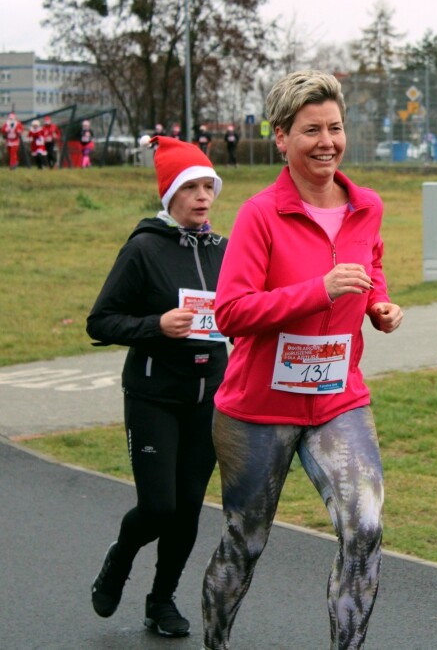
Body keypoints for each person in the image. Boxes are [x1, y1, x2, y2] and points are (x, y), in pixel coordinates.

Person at [201, 69, 403, 650]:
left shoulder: (367, 206)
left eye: (335, 128)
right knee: (246, 542)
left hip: (338, 398)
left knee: (364, 527)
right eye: (310, 130)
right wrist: (321, 290)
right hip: (258, 409)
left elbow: (371, 263)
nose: (327, 142)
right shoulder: (260, 214)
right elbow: (231, 312)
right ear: (282, 136)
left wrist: (379, 304)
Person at [86, 135, 227, 639]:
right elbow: (100, 322)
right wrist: (155, 326)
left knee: (189, 507)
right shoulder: (144, 249)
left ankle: (161, 600)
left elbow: (247, 309)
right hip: (154, 395)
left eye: (209, 185)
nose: (203, 196)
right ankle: (119, 558)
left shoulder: (225, 250)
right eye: (191, 187)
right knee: (158, 507)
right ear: (170, 194)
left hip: (208, 395)